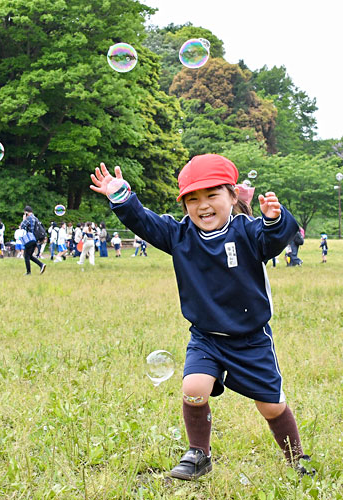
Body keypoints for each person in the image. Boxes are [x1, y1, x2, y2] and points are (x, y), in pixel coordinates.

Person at [90, 154, 312, 480]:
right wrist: (121, 196)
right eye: (192, 199)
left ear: (233, 197)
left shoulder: (248, 232)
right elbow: (144, 221)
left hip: (250, 339)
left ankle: (297, 458)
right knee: (193, 388)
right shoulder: (178, 235)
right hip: (205, 336)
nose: (203, 205)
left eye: (212, 196)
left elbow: (274, 240)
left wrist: (274, 219)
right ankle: (199, 454)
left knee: (271, 407)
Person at [19, 206, 46, 275]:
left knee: (26, 256)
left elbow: (21, 226)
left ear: (26, 212)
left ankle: (28, 272)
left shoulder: (28, 218)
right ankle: (41, 265)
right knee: (29, 255)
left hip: (30, 239)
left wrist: (23, 219)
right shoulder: (35, 218)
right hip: (35, 239)